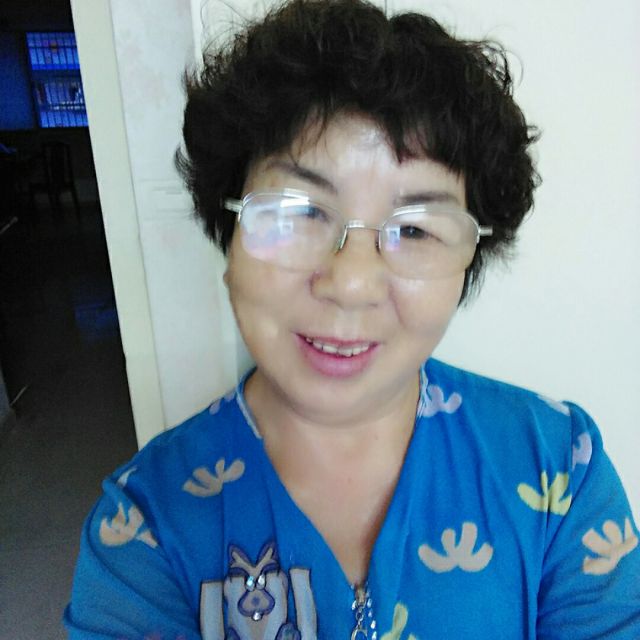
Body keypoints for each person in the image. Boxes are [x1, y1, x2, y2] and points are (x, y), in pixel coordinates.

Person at [64, 0, 640, 638]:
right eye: (300, 211)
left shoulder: (559, 468)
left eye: (416, 228)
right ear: (229, 235)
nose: (351, 284)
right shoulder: (144, 526)